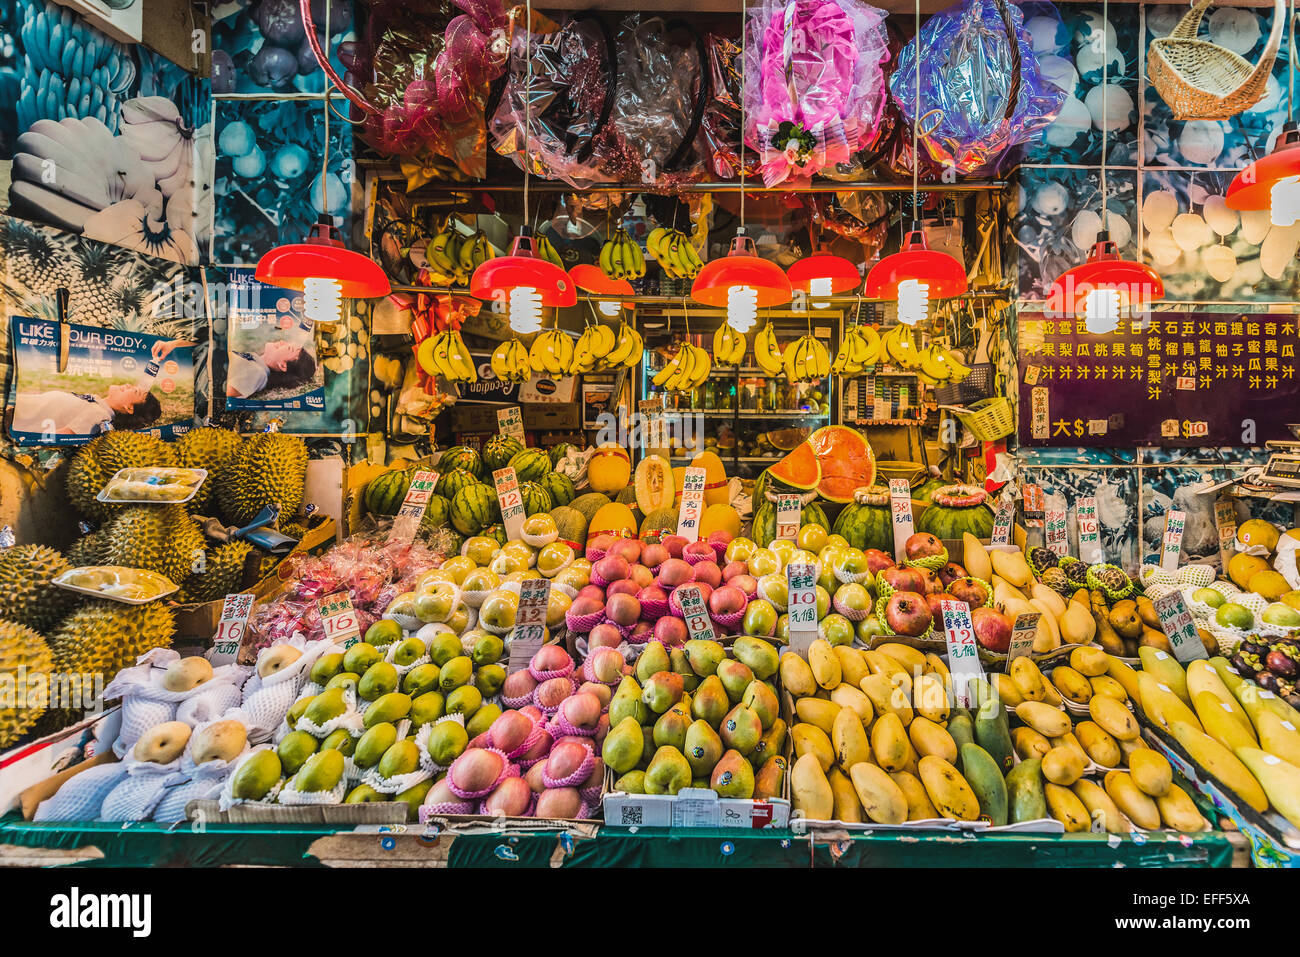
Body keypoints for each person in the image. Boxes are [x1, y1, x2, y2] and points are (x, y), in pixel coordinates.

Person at [11, 383, 162, 436]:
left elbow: (64, 435)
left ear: (129, 408)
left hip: (17, 417)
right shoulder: (98, 404)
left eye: (134, 391)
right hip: (21, 406)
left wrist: (26, 438)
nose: (128, 385)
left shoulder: (100, 415)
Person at [224, 339, 317, 398]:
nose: (283, 342)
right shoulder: (255, 362)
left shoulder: (258, 373)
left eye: (289, 348)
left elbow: (227, 392)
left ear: (282, 365)